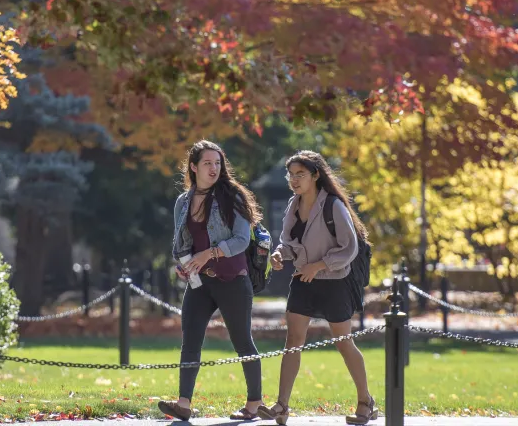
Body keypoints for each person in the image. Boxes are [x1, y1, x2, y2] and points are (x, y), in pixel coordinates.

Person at [259, 150, 377, 425]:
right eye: (291, 175)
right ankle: (281, 406)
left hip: (335, 283)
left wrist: (320, 265)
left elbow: (350, 247)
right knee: (292, 343)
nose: (294, 180)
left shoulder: (333, 205)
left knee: (343, 343)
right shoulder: (293, 204)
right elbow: (287, 241)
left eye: (300, 174)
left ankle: (365, 401)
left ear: (315, 175)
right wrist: (280, 255)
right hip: (303, 280)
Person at [158, 140, 265, 421]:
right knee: (190, 341)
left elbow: (242, 240)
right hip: (200, 283)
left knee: (242, 341)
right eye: (207, 163)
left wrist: (209, 253)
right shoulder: (183, 202)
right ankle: (183, 404)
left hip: (233, 279)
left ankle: (254, 404)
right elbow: (182, 243)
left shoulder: (234, 197)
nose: (213, 168)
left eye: (218, 163)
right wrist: (184, 265)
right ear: (193, 167)